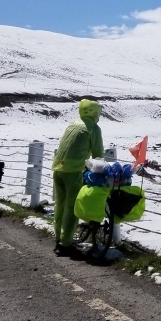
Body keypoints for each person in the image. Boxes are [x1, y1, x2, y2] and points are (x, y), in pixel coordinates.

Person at [52, 98, 104, 256]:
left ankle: (58, 238)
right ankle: (65, 244)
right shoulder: (93, 128)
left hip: (58, 167)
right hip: (73, 171)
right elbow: (98, 156)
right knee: (71, 208)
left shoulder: (73, 124)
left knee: (59, 205)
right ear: (95, 113)